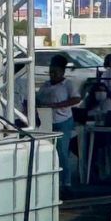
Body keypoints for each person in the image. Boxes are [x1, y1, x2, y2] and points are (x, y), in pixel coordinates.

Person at [37, 54, 78, 186]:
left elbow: (76, 99)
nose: (52, 75)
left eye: (55, 72)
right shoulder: (45, 85)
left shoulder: (68, 84)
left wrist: (57, 105)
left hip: (63, 121)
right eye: (51, 72)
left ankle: (66, 181)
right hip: (46, 122)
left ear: (62, 71)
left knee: (61, 152)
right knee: (46, 152)